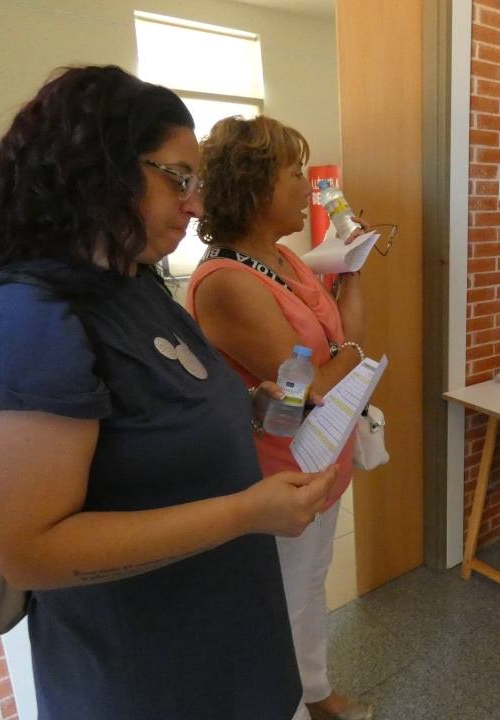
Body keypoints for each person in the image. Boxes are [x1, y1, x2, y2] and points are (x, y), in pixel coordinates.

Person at [0, 66, 335, 719]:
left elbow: (156, 415)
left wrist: (252, 409)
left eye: (198, 181)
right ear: (91, 169)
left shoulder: (132, 283)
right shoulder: (26, 320)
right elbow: (31, 550)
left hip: (234, 647)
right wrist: (246, 513)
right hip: (148, 679)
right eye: (176, 178)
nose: (196, 204)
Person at [187, 116, 370, 720]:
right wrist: (346, 358)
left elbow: (348, 337)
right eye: (295, 175)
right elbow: (315, 385)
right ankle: (289, 705)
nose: (307, 187)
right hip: (274, 475)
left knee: (309, 589)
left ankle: (313, 693)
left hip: (322, 459)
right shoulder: (225, 282)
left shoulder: (289, 260)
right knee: (281, 603)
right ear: (255, 186)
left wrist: (353, 268)